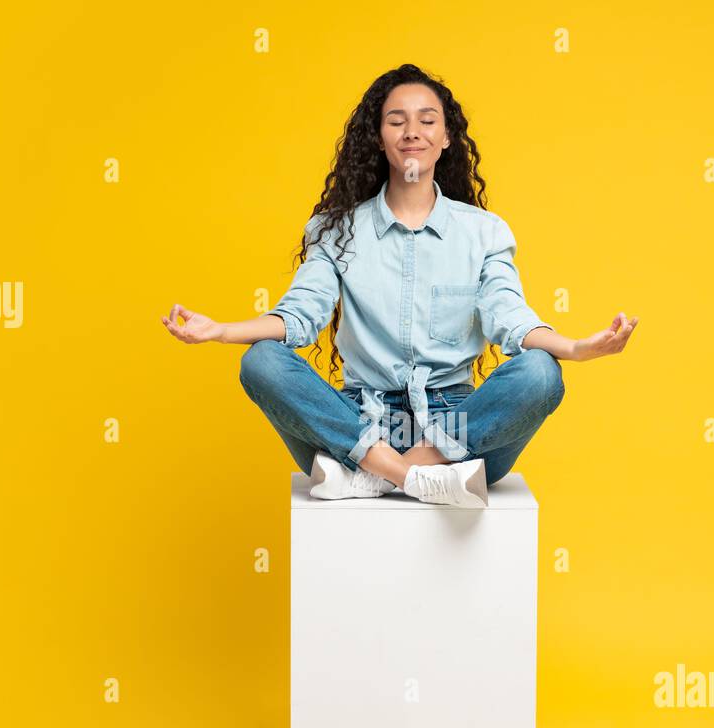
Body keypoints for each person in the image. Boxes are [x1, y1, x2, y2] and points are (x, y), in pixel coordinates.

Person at [161, 63, 637, 508]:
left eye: (428, 120)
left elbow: (508, 317)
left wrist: (575, 347)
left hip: (457, 427)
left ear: (447, 137)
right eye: (397, 120)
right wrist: (220, 331)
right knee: (261, 361)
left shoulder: (484, 232)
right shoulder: (336, 230)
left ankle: (385, 474)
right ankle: (409, 476)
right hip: (357, 422)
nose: (413, 131)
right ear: (379, 137)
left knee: (540, 372)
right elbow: (299, 316)